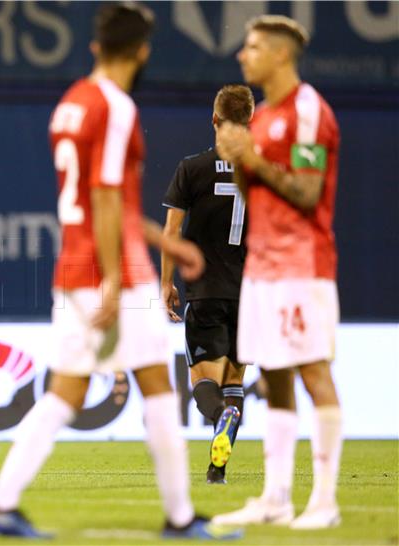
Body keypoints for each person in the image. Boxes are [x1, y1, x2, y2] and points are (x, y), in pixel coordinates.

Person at [0, 4, 240, 541]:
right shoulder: (116, 108)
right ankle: (181, 516)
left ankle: (2, 503)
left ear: (96, 47)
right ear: (142, 51)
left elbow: (103, 199)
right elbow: (104, 198)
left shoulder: (70, 105)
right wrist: (118, 280)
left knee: (67, 392)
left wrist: (166, 242)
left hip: (74, 262)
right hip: (115, 269)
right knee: (158, 389)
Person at [212, 15, 342, 530]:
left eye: (253, 47)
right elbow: (255, 191)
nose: (243, 55)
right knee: (275, 377)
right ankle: (276, 498)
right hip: (262, 269)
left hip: (300, 266)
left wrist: (254, 161)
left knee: (314, 374)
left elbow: (308, 193)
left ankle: (326, 502)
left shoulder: (307, 112)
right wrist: (239, 161)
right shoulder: (262, 118)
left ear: (281, 54)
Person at [161, 84, 255, 485]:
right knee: (235, 379)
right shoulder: (261, 173)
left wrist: (166, 282)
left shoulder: (192, 168)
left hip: (205, 291)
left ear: (214, 119)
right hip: (250, 295)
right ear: (251, 121)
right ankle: (218, 470)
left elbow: (172, 230)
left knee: (204, 382)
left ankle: (221, 417)